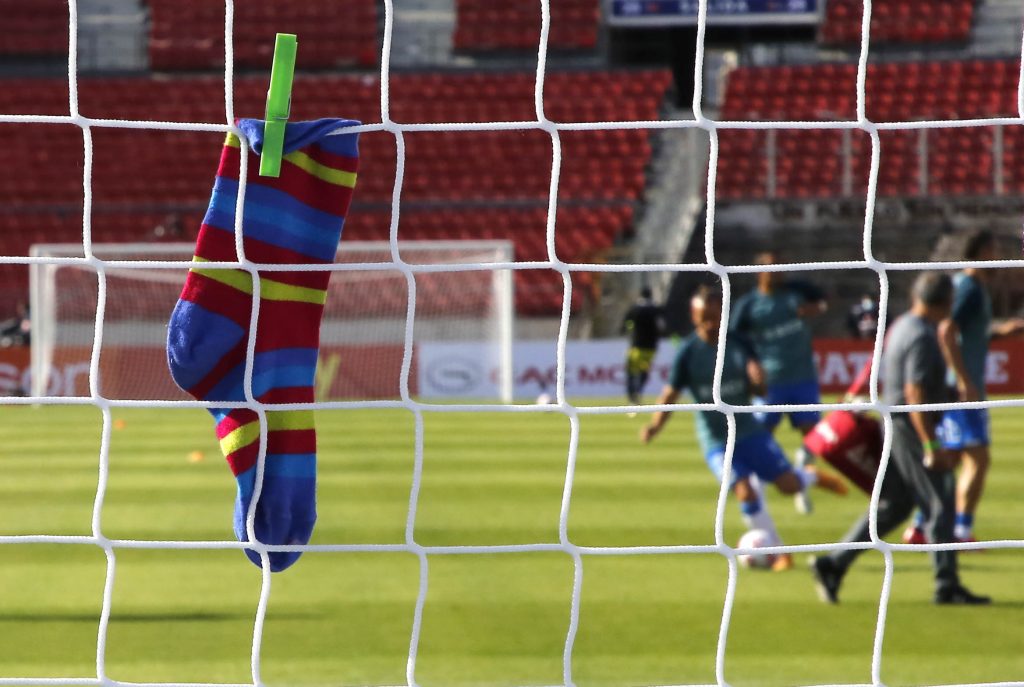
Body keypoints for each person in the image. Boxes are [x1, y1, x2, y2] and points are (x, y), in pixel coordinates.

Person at [810, 272, 991, 605]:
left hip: (894, 422)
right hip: (910, 426)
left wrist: (950, 393)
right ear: (946, 302)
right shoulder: (922, 336)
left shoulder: (902, 326)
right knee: (940, 502)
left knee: (895, 505)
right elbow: (914, 393)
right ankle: (946, 585)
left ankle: (832, 564)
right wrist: (931, 444)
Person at [641, 284, 848, 572]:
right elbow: (671, 392)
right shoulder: (688, 352)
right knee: (744, 491)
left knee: (787, 486)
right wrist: (654, 425)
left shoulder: (738, 342)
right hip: (716, 439)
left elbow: (760, 386)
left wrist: (757, 379)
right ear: (694, 317)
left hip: (749, 429)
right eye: (705, 319)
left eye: (716, 317)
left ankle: (809, 477)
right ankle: (778, 552)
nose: (712, 325)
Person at [903, 230, 1024, 545]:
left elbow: (960, 331)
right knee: (978, 458)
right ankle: (960, 531)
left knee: (952, 458)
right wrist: (963, 379)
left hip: (951, 387)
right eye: (996, 251)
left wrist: (997, 330)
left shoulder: (965, 286)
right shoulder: (970, 288)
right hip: (961, 389)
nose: (999, 258)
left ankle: (920, 526)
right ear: (982, 252)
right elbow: (946, 329)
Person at [729, 252, 828, 511]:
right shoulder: (750, 305)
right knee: (761, 435)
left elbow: (822, 301)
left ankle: (801, 478)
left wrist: (815, 309)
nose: (779, 272)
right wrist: (750, 362)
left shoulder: (796, 291)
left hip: (803, 376)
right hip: (771, 381)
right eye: (773, 269)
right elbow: (734, 336)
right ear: (760, 273)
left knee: (813, 435)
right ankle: (758, 486)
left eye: (781, 267)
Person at [622, 286, 663, 404]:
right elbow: (663, 325)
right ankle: (639, 390)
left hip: (636, 345)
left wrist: (627, 331)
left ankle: (632, 393)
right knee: (644, 370)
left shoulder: (634, 309)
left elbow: (626, 324)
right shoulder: (656, 309)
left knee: (631, 370)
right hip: (651, 348)